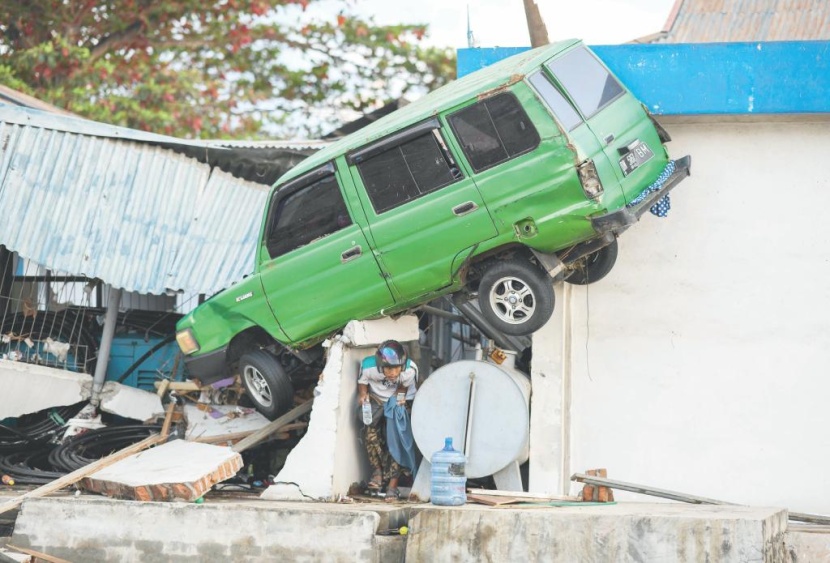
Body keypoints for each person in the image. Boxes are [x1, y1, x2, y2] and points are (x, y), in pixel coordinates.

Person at [357, 339, 418, 500]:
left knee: (396, 439)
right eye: (388, 369)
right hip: (376, 399)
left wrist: (398, 402)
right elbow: (362, 383)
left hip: (398, 399)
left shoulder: (409, 370)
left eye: (395, 368)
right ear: (380, 366)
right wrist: (363, 396)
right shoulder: (369, 367)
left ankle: (393, 486)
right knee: (370, 433)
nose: (392, 373)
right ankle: (377, 472)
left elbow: (403, 388)